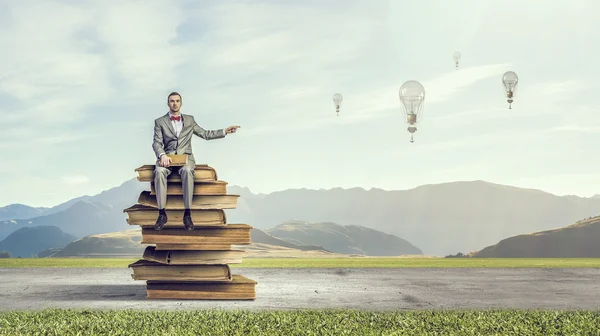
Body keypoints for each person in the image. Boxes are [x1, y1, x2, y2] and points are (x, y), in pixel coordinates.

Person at [152, 92, 240, 231]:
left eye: (177, 101)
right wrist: (162, 155)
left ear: (181, 103)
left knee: (187, 171)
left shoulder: (190, 120)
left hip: (186, 158)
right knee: (159, 172)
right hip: (167, 159)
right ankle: (162, 214)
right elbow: (156, 143)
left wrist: (225, 131)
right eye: (172, 101)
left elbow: (205, 134)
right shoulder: (159, 122)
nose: (175, 103)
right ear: (168, 103)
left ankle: (187, 214)